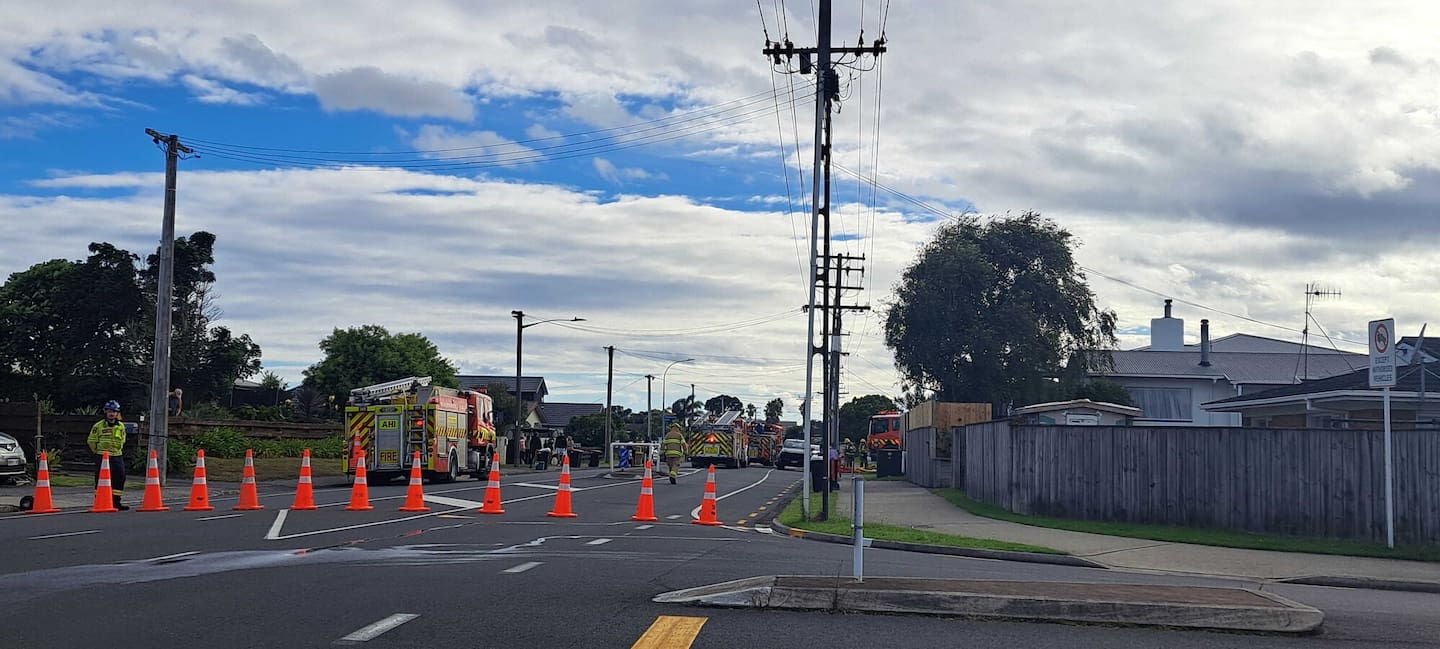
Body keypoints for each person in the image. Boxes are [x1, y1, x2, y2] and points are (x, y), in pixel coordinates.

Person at [88, 400, 129, 511]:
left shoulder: (121, 426)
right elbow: (91, 441)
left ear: (117, 413)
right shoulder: (98, 426)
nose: (112, 414)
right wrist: (97, 452)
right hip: (103, 456)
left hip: (117, 455)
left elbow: (123, 439)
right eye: (110, 411)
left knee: (120, 477)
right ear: (105, 412)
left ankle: (116, 501)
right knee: (101, 479)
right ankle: (100, 500)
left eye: (114, 411)